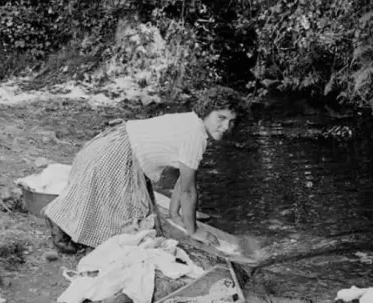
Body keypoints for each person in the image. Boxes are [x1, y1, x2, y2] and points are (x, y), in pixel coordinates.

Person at [43, 86, 246, 254]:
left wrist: (175, 214)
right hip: (116, 155)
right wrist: (194, 231)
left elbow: (183, 181)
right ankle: (58, 223)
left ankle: (69, 226)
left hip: (117, 145)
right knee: (125, 224)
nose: (226, 126)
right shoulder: (196, 136)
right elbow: (188, 191)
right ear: (207, 111)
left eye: (231, 121)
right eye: (221, 118)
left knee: (126, 216)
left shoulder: (192, 122)